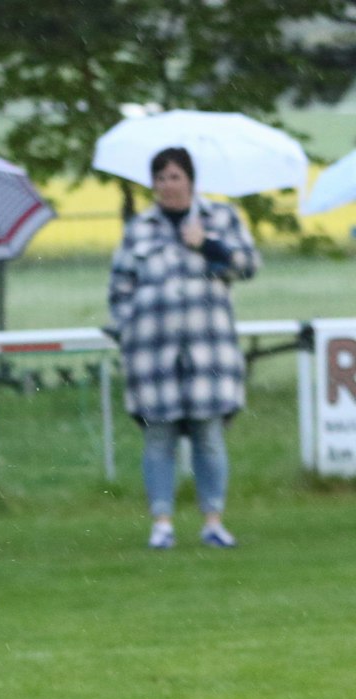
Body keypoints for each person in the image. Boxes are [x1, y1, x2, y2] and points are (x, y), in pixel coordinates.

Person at [109, 147, 257, 550]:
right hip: (152, 354)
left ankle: (213, 519)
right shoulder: (139, 228)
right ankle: (162, 521)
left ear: (190, 180)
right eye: (160, 178)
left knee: (209, 436)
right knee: (159, 437)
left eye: (175, 176)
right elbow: (119, 289)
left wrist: (209, 245)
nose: (168, 185)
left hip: (208, 351)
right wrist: (130, 330)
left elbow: (249, 265)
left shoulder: (221, 218)